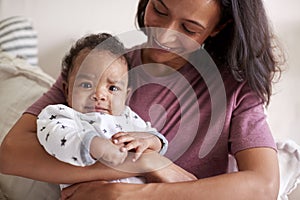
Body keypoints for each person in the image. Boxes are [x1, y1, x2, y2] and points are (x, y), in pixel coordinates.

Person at [0, 0, 284, 199]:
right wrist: (146, 163)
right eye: (159, 9)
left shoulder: (236, 88)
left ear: (219, 27)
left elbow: (263, 187)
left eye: (189, 28)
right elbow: (11, 154)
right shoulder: (103, 68)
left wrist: (134, 195)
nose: (164, 34)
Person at [36, 33, 168, 188]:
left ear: (126, 95)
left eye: (112, 88)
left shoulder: (128, 117)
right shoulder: (61, 115)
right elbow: (54, 138)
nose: (99, 95)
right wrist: (93, 145)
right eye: (86, 85)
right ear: (67, 90)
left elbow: (155, 138)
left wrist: (148, 141)